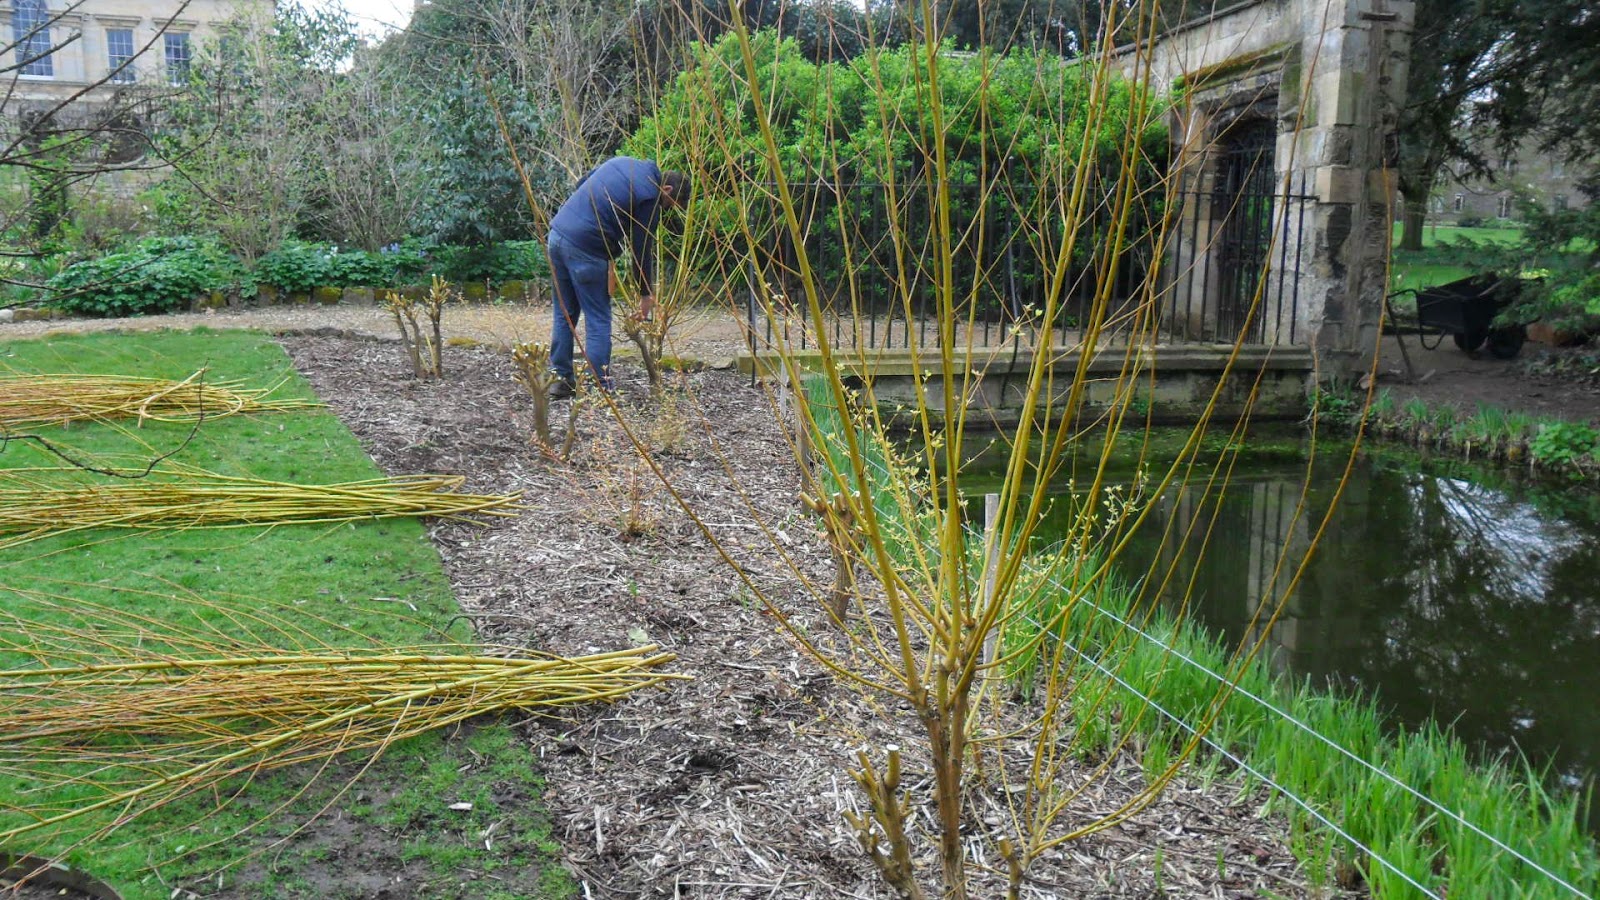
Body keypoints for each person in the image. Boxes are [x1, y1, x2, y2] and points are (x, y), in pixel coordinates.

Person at [545, 157, 688, 397]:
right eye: (670, 204)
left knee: (564, 314)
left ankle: (560, 380)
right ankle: (598, 386)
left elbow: (582, 182)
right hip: (586, 248)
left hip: (557, 235)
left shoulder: (625, 163)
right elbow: (641, 249)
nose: (666, 210)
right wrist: (646, 295)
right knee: (598, 317)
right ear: (667, 189)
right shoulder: (650, 196)